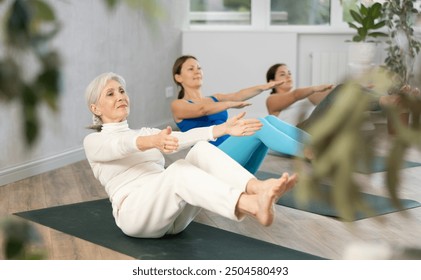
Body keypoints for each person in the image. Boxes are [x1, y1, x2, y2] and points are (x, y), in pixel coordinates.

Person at [83, 72, 297, 239]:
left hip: (174, 218)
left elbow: (183, 138)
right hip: (136, 215)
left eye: (121, 91)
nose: (120, 96)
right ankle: (250, 205)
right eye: (110, 94)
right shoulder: (93, 141)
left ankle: (259, 188)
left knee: (201, 150)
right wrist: (152, 142)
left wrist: (223, 129)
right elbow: (121, 145)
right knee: (177, 170)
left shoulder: (144, 132)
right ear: (95, 108)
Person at [171, 55, 312, 174]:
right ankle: (310, 153)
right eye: (191, 69)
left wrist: (263, 87)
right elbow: (202, 110)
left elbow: (238, 95)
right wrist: (229, 103)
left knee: (269, 119)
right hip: (212, 161)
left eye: (199, 68)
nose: (197, 71)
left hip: (233, 157)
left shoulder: (214, 98)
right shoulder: (178, 104)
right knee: (258, 124)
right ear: (178, 77)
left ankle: (318, 144)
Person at [265, 63, 385, 131]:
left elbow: (331, 94)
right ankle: (385, 101)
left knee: (343, 90)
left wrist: (359, 88)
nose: (288, 76)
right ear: (272, 81)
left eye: (289, 73)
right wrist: (313, 88)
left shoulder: (305, 97)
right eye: (282, 74)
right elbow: (295, 95)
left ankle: (388, 100)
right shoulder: (272, 100)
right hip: (299, 132)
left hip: (318, 128)